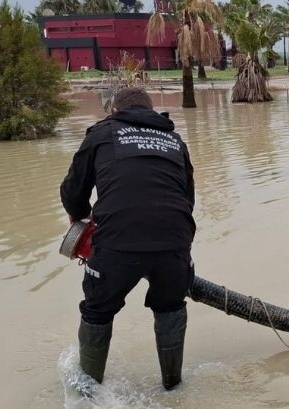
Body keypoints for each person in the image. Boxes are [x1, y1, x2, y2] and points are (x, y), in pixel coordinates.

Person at [60, 87, 196, 391]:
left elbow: (72, 192)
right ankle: (173, 388)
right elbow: (187, 199)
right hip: (174, 242)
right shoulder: (175, 141)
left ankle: (88, 395)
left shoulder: (100, 134)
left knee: (97, 310)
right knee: (170, 306)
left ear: (114, 111)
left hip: (116, 244)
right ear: (150, 112)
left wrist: (78, 217)